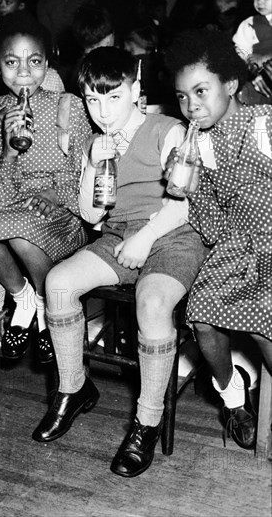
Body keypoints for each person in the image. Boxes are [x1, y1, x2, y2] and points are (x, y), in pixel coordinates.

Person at [32, 47, 208, 478]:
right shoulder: (95, 141)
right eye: (93, 100)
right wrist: (93, 162)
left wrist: (147, 238)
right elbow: (92, 215)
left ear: (136, 89)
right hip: (120, 236)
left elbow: (186, 205)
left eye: (113, 97)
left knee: (151, 303)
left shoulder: (168, 129)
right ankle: (73, 389)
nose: (103, 111)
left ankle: (146, 421)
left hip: (172, 235)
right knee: (57, 283)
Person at [165, 29, 272, 450]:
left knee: (267, 322)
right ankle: (232, 396)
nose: (192, 105)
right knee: (203, 313)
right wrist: (188, 188)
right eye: (182, 96)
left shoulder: (263, 124)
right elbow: (209, 221)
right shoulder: (197, 146)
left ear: (230, 85)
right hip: (236, 244)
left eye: (201, 91)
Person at [0, 13, 91, 364]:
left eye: (34, 61)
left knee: (22, 232)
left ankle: (46, 305)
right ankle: (24, 296)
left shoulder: (69, 107)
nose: (24, 72)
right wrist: (7, 149)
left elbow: (84, 171)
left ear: (47, 63)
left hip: (61, 213)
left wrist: (58, 197)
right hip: (10, 207)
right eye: (12, 62)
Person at [233, 0, 272, 103]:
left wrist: (265, 57)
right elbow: (240, 48)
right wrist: (250, 62)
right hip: (259, 78)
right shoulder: (249, 24)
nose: (259, 1)